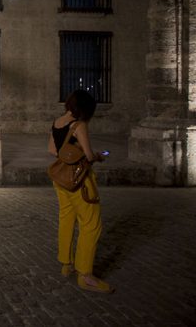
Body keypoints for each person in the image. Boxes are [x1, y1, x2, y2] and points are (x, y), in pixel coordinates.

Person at [48, 89, 113, 294]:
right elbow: (89, 156)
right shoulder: (80, 125)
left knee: (67, 218)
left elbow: (52, 150)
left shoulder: (57, 122)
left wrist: (68, 151)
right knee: (91, 224)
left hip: (61, 179)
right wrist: (99, 155)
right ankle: (85, 275)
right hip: (79, 181)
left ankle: (66, 263)